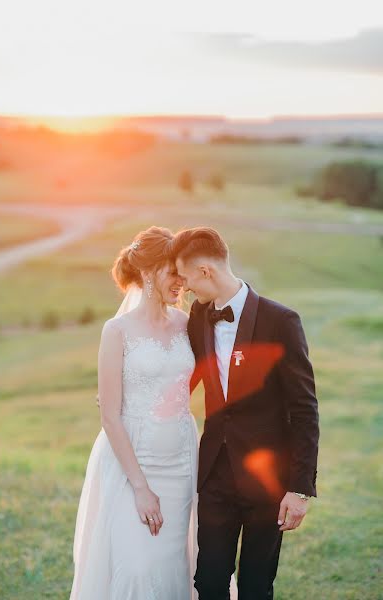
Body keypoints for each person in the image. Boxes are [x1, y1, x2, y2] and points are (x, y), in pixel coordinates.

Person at [170, 226, 320, 600]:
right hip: (216, 474)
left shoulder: (280, 321)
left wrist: (300, 489)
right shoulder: (198, 318)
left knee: (256, 586)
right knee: (208, 582)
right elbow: (183, 381)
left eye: (188, 279)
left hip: (268, 479)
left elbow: (304, 408)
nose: (186, 289)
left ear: (206, 271)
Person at [69, 226, 208, 599]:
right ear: (148, 272)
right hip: (133, 466)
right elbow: (110, 417)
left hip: (180, 462)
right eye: (173, 272)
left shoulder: (187, 324)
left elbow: (188, 379)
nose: (182, 281)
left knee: (175, 564)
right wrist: (141, 488)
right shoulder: (117, 331)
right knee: (135, 567)